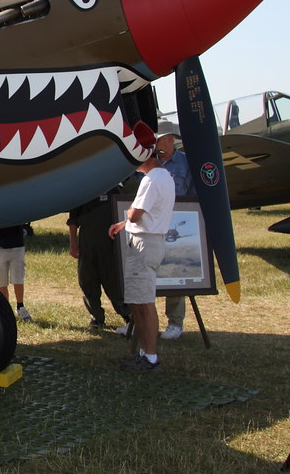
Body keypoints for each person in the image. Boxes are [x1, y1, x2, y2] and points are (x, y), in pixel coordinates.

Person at [108, 131, 175, 372]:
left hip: (144, 245)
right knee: (139, 301)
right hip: (151, 241)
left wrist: (127, 215)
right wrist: (124, 223)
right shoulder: (164, 177)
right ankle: (145, 353)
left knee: (144, 304)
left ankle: (150, 357)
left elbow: (136, 214)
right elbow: (149, 213)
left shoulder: (151, 180)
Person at [66, 184, 131, 331]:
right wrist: (73, 244)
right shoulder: (85, 190)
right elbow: (73, 220)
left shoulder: (115, 190)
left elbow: (124, 214)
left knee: (113, 281)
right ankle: (96, 317)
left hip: (110, 243)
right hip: (87, 240)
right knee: (87, 280)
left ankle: (127, 315)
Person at [156, 123, 195, 341]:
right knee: (146, 272)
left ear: (170, 139)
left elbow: (193, 193)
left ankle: (175, 323)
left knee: (174, 271)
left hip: (176, 224)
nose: (155, 143)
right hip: (152, 224)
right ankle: (138, 320)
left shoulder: (185, 162)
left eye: (160, 139)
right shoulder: (149, 161)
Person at [0, 223, 33, 322]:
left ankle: (20, 307)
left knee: (18, 278)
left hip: (17, 246)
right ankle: (5, 310)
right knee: (0, 281)